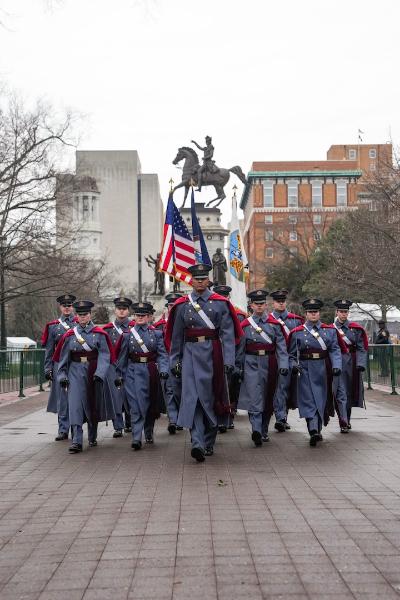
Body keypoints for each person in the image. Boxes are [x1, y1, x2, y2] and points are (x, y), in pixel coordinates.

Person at [165, 264, 242, 462]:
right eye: (196, 278)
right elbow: (176, 338)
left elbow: (228, 335)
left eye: (203, 278)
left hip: (213, 355)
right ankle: (197, 442)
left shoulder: (220, 303)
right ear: (191, 280)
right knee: (193, 399)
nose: (200, 281)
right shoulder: (182, 305)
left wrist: (229, 360)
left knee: (211, 398)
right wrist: (175, 361)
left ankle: (208, 440)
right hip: (190, 355)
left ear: (208, 280)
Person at [53, 300, 115, 453]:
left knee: (91, 405)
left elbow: (105, 356)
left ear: (90, 314)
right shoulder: (69, 335)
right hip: (75, 372)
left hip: (93, 371)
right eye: (79, 315)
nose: (82, 317)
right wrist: (61, 376)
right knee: (75, 406)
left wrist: (100, 373)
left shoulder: (99, 334)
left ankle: (92, 436)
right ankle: (77, 441)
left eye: (85, 314)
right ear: (76, 315)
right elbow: (63, 359)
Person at [236, 289, 289, 447]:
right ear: (251, 305)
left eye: (261, 304)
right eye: (256, 304)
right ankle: (256, 429)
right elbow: (240, 349)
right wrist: (238, 367)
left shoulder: (274, 325)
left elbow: (281, 348)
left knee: (267, 397)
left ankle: (264, 429)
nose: (259, 306)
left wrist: (284, 365)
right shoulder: (245, 325)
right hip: (251, 363)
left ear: (266, 305)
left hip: (270, 362)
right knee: (254, 397)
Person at [287, 299, 343, 446]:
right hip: (305, 369)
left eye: (315, 312)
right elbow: (291, 354)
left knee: (321, 400)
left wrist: (337, 365)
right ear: (305, 314)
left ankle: (316, 430)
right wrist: (293, 364)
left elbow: (335, 349)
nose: (313, 314)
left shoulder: (329, 331)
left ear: (319, 313)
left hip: (323, 369)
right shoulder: (297, 333)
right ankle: (313, 430)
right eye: (310, 312)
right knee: (309, 400)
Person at [114, 301, 169, 450]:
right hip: (132, 372)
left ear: (150, 316)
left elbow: (162, 355)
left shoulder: (156, 334)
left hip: (150, 371)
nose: (140, 318)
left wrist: (164, 369)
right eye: (137, 315)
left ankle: (149, 431)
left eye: (143, 315)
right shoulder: (127, 335)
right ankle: (137, 437)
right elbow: (122, 358)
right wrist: (119, 375)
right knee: (135, 406)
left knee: (150, 404)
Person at [41, 293, 77, 441]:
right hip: (59, 366)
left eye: (69, 305)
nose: (67, 308)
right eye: (64, 305)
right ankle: (63, 429)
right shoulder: (53, 326)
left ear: (73, 306)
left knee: (76, 397)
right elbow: (49, 350)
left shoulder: (79, 324)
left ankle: (76, 427)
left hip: (76, 365)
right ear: (60, 307)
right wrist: (47, 368)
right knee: (62, 398)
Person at [269, 289, 304, 432]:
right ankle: (278, 417)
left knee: (285, 389)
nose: (281, 303)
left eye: (283, 301)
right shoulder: (268, 319)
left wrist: (296, 361)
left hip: (289, 359)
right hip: (272, 358)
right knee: (274, 389)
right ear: (273, 303)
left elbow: (298, 343)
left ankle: (282, 418)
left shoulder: (294, 320)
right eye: (278, 301)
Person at [213, 284, 247, 431]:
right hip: (214, 356)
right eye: (220, 297)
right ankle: (216, 417)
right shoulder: (211, 312)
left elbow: (240, 340)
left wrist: (236, 362)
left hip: (231, 356)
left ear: (228, 298)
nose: (223, 299)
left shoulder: (238, 316)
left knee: (232, 388)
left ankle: (229, 415)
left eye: (225, 297)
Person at [332, 300, 368, 431]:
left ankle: (346, 419)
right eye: (341, 312)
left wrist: (360, 363)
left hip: (351, 364)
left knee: (348, 392)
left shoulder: (355, 328)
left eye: (345, 312)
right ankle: (343, 420)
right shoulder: (330, 329)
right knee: (339, 392)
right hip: (335, 363)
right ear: (337, 312)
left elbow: (361, 347)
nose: (343, 314)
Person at [102, 297, 133, 438]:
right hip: (113, 367)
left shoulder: (133, 327)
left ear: (128, 310)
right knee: (115, 396)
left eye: (124, 308)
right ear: (115, 310)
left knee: (129, 395)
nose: (121, 311)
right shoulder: (107, 329)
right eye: (119, 308)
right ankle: (118, 426)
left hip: (129, 366)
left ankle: (130, 423)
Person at [154, 292, 183, 434]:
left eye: (175, 305)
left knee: (182, 391)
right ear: (167, 306)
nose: (173, 308)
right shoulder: (159, 325)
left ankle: (182, 417)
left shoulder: (185, 322)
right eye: (171, 305)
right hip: (167, 360)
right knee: (169, 390)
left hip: (183, 360)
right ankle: (173, 419)